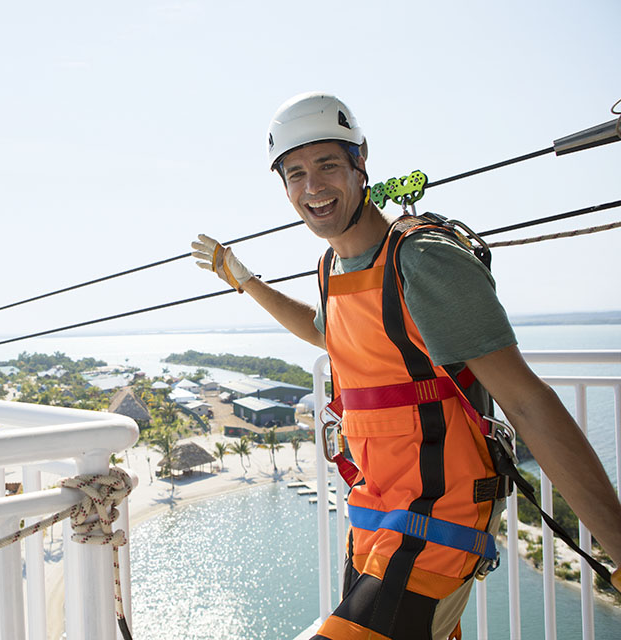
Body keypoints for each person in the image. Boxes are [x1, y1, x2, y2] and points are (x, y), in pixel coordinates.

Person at [191, 92, 621, 640]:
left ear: (361, 160)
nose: (313, 188)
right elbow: (328, 331)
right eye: (295, 174)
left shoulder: (423, 260)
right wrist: (243, 278)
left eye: (327, 164)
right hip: (376, 515)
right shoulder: (332, 265)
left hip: (439, 519)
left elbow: (527, 402)